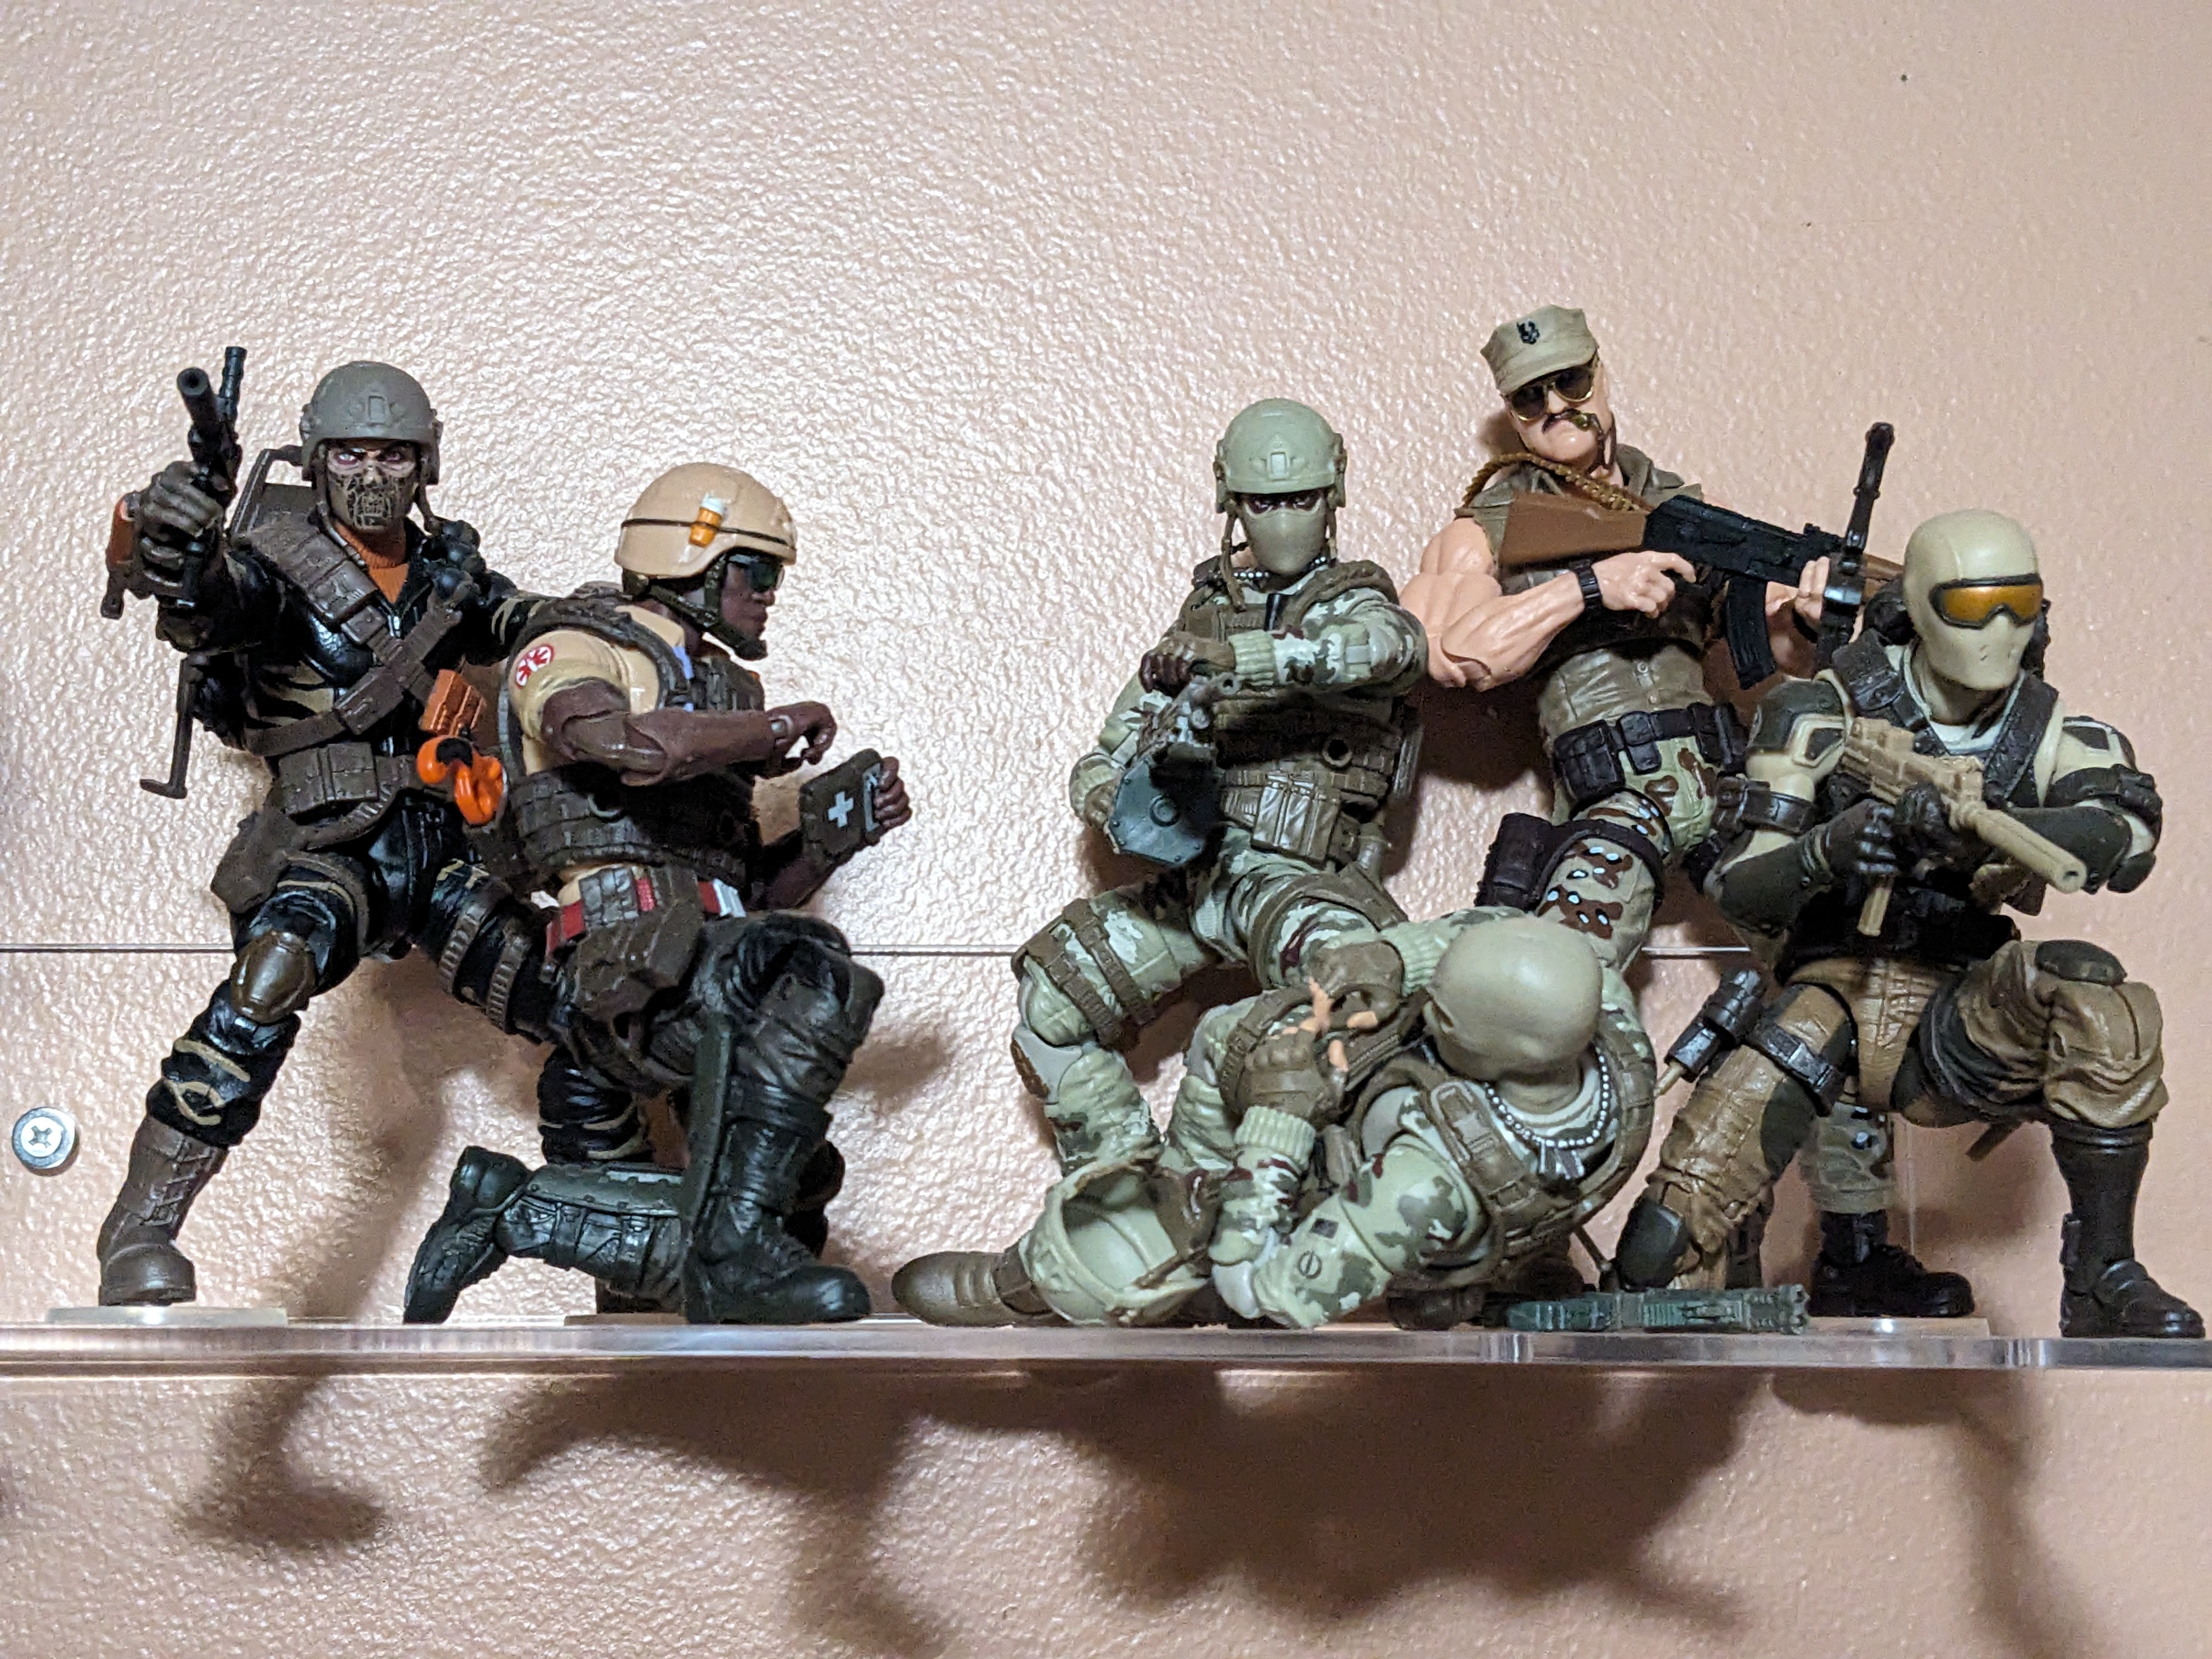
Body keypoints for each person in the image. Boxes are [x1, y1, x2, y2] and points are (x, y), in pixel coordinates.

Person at [1611, 510, 2197, 1335]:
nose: (2000, 630)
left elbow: (2126, 837)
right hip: (1833, 997)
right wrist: (1829, 850)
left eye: (2021, 604)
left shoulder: (2052, 729)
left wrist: (1984, 827)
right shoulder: (1820, 710)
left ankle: (2103, 1275)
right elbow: (1743, 884)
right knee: (1663, 1241)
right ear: (1917, 606)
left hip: (1960, 1013)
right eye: (1973, 607)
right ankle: (1774, 1267)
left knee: (2106, 1004)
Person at [405, 463, 909, 1323]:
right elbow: (625, 746)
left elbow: (741, 892)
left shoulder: (723, 692)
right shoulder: (573, 646)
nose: (769, 595)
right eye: (758, 571)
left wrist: (827, 842)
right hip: (612, 963)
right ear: (694, 558)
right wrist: (774, 728)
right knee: (811, 967)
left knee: (800, 1178)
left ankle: (517, 1209)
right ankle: (733, 1254)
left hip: (691, 961)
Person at [97, 362, 540, 1306]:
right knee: (268, 979)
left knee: (563, 996)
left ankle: (627, 1232)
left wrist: (612, 621)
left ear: (424, 465)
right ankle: (140, 1227)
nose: (371, 475)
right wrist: (180, 540)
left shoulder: (449, 572)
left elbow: (522, 624)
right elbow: (211, 602)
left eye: (393, 456)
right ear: (316, 459)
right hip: (328, 844)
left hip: (441, 847)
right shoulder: (276, 566)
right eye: (350, 455)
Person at [1005, 398, 1426, 1180]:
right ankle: (1121, 1194)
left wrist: (1252, 663)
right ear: (1232, 501)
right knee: (1051, 1004)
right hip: (1201, 881)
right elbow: (1104, 755)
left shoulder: (1357, 604)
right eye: (1263, 503)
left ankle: (1310, 1205)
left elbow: (1390, 648)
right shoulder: (1203, 618)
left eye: (1300, 499)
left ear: (1333, 495)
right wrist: (1125, 800)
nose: (1283, 519)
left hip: (1298, 885)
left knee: (1357, 1010)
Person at [892, 912, 1655, 1329]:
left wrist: (1278, 1124)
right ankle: (1177, 1167)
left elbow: (1261, 1293)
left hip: (1333, 1206)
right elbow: (1484, 930)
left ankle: (1035, 1285)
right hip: (1388, 1121)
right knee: (1241, 1034)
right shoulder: (1599, 1002)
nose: (1431, 1007)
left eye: (1443, 1010)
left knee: (1144, 1254)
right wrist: (1398, 959)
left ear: (1497, 1049)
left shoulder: (1423, 1188)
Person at [1402, 305, 1825, 968]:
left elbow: (1771, 652)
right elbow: (1453, 654)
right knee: (1557, 978)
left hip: (1726, 780)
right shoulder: (1488, 528)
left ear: (1601, 376)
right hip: (1616, 795)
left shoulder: (1685, 509)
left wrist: (1807, 614)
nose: (1555, 407)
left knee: (1836, 949)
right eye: (1530, 397)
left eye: (1570, 382)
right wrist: (1589, 587)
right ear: (1512, 413)